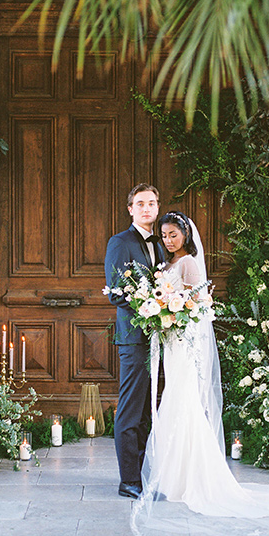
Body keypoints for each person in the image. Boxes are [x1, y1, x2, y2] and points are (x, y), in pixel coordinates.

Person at [131, 210, 269, 536]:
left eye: (173, 235)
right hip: (171, 342)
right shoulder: (168, 265)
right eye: (164, 235)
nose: (168, 240)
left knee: (183, 402)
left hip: (182, 343)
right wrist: (158, 310)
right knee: (175, 401)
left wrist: (170, 311)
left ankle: (190, 478)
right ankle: (174, 477)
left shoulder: (190, 264)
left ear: (184, 234)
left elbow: (197, 307)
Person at [104, 184, 165, 499]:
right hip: (134, 340)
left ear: (157, 207)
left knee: (147, 412)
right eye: (140, 203)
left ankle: (139, 473)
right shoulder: (120, 243)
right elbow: (116, 292)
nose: (146, 209)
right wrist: (153, 309)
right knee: (130, 410)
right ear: (130, 209)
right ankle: (128, 480)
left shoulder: (163, 244)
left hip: (162, 339)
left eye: (151, 203)